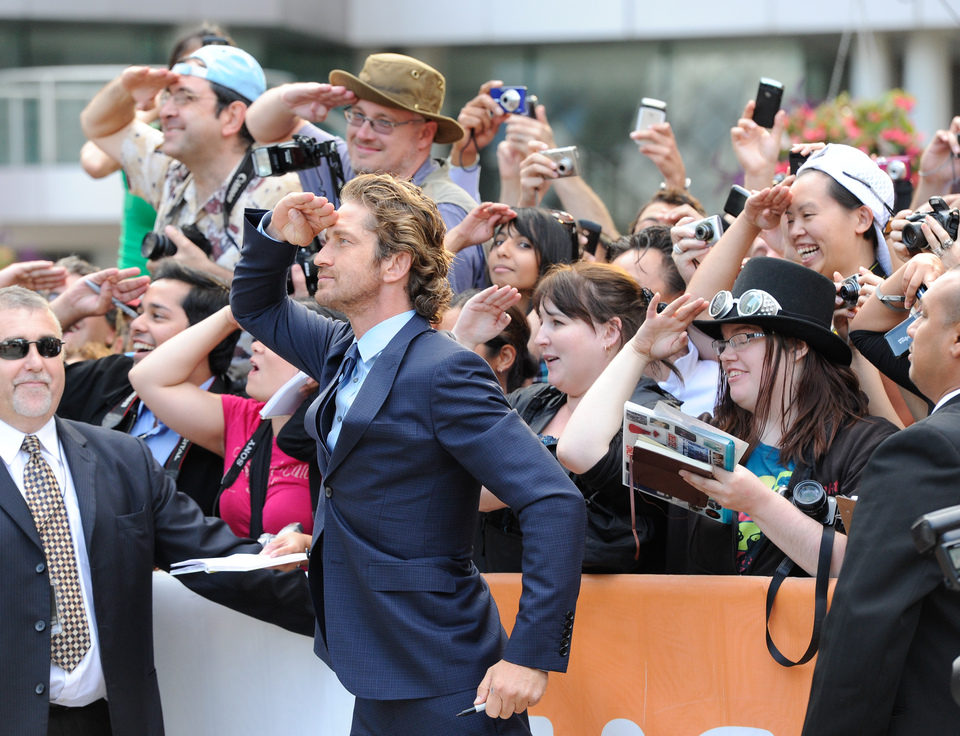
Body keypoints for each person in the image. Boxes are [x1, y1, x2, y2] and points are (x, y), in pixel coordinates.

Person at [231, 173, 586, 734]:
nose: (320, 256)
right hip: (375, 668)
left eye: (341, 241)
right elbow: (254, 305)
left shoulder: (446, 370)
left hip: (443, 670)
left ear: (395, 264)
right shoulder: (339, 348)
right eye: (323, 242)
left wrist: (530, 653)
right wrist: (276, 233)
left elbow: (553, 502)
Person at [0, 286, 312, 735]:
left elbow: (216, 559)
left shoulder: (122, 459)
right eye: (14, 348)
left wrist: (343, 608)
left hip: (113, 718)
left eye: (49, 347)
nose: (35, 362)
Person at [560, 257, 897, 577]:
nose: (726, 356)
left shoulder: (863, 444)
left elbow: (863, 569)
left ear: (797, 346)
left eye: (743, 338)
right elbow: (578, 450)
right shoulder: (705, 441)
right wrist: (638, 349)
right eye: (723, 343)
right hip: (705, 635)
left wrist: (758, 503)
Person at [803, 267, 960, 734]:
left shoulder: (925, 450)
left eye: (922, 316)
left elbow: (867, 623)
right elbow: (869, 332)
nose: (908, 330)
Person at [460, 262, 678, 575]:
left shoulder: (653, 419)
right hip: (500, 611)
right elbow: (450, 465)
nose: (540, 340)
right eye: (542, 323)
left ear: (610, 331)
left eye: (557, 323)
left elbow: (578, 454)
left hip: (612, 616)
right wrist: (463, 341)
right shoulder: (528, 402)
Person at [244, 52, 483, 291]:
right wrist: (289, 100)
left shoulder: (444, 212)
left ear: (424, 134)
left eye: (384, 122)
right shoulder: (350, 164)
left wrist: (311, 313)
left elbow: (440, 318)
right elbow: (261, 128)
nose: (363, 134)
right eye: (358, 116)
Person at [80, 44, 301, 282]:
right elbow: (99, 127)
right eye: (167, 97)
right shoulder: (172, 171)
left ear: (232, 116)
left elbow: (294, 303)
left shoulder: (281, 193)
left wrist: (202, 273)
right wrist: (125, 87)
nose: (164, 111)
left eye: (184, 98)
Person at [52, 262, 238, 514]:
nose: (136, 325)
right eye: (138, 313)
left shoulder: (236, 416)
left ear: (207, 333)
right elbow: (15, 379)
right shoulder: (113, 376)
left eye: (157, 316)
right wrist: (65, 309)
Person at [128, 305, 315, 549]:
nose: (256, 345)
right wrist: (232, 314)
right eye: (259, 337)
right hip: (250, 585)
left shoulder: (339, 434)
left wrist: (309, 545)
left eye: (275, 340)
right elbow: (146, 378)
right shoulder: (247, 417)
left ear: (314, 363)